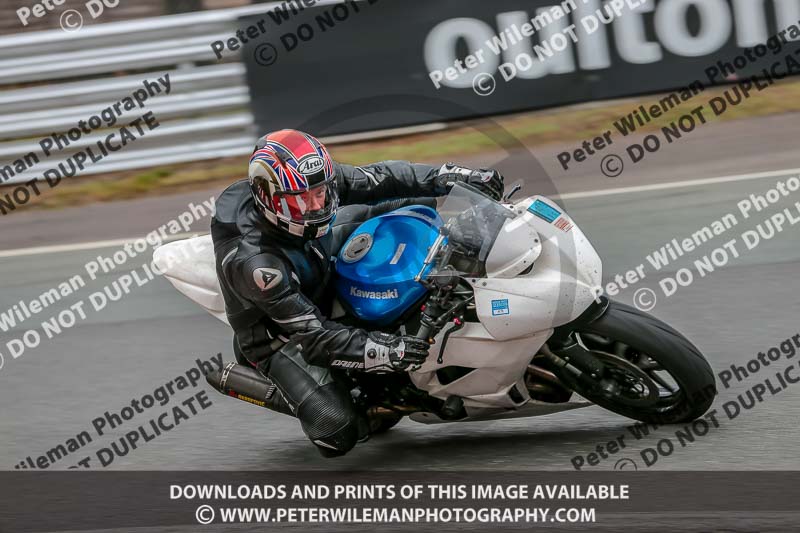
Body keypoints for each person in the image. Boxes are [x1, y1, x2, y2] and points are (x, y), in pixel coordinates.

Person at [210, 129, 504, 457]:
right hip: (279, 334)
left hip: (312, 253)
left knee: (416, 200)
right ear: (269, 197)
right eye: (302, 200)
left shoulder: (308, 187)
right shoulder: (257, 265)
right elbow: (315, 337)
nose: (316, 205)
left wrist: (450, 176)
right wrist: (386, 350)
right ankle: (261, 383)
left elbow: (381, 177)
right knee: (339, 431)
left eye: (320, 192)